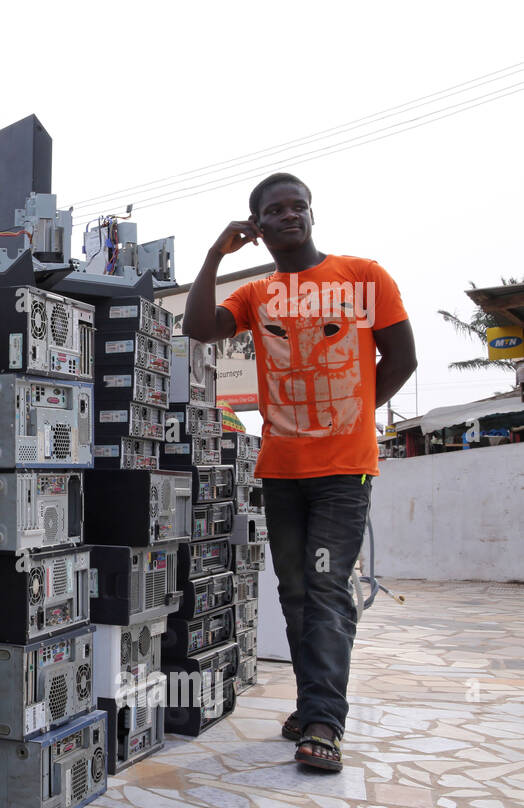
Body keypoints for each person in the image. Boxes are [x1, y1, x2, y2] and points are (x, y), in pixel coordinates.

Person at [182, 172, 418, 772]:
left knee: (326, 587)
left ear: (312, 214)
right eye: (276, 210)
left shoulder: (363, 277)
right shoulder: (258, 295)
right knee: (294, 591)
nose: (291, 215)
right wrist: (214, 254)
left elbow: (404, 357)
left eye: (300, 206)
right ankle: (312, 701)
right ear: (257, 227)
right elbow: (198, 328)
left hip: (344, 470)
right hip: (282, 471)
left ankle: (322, 723)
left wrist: (355, 417)